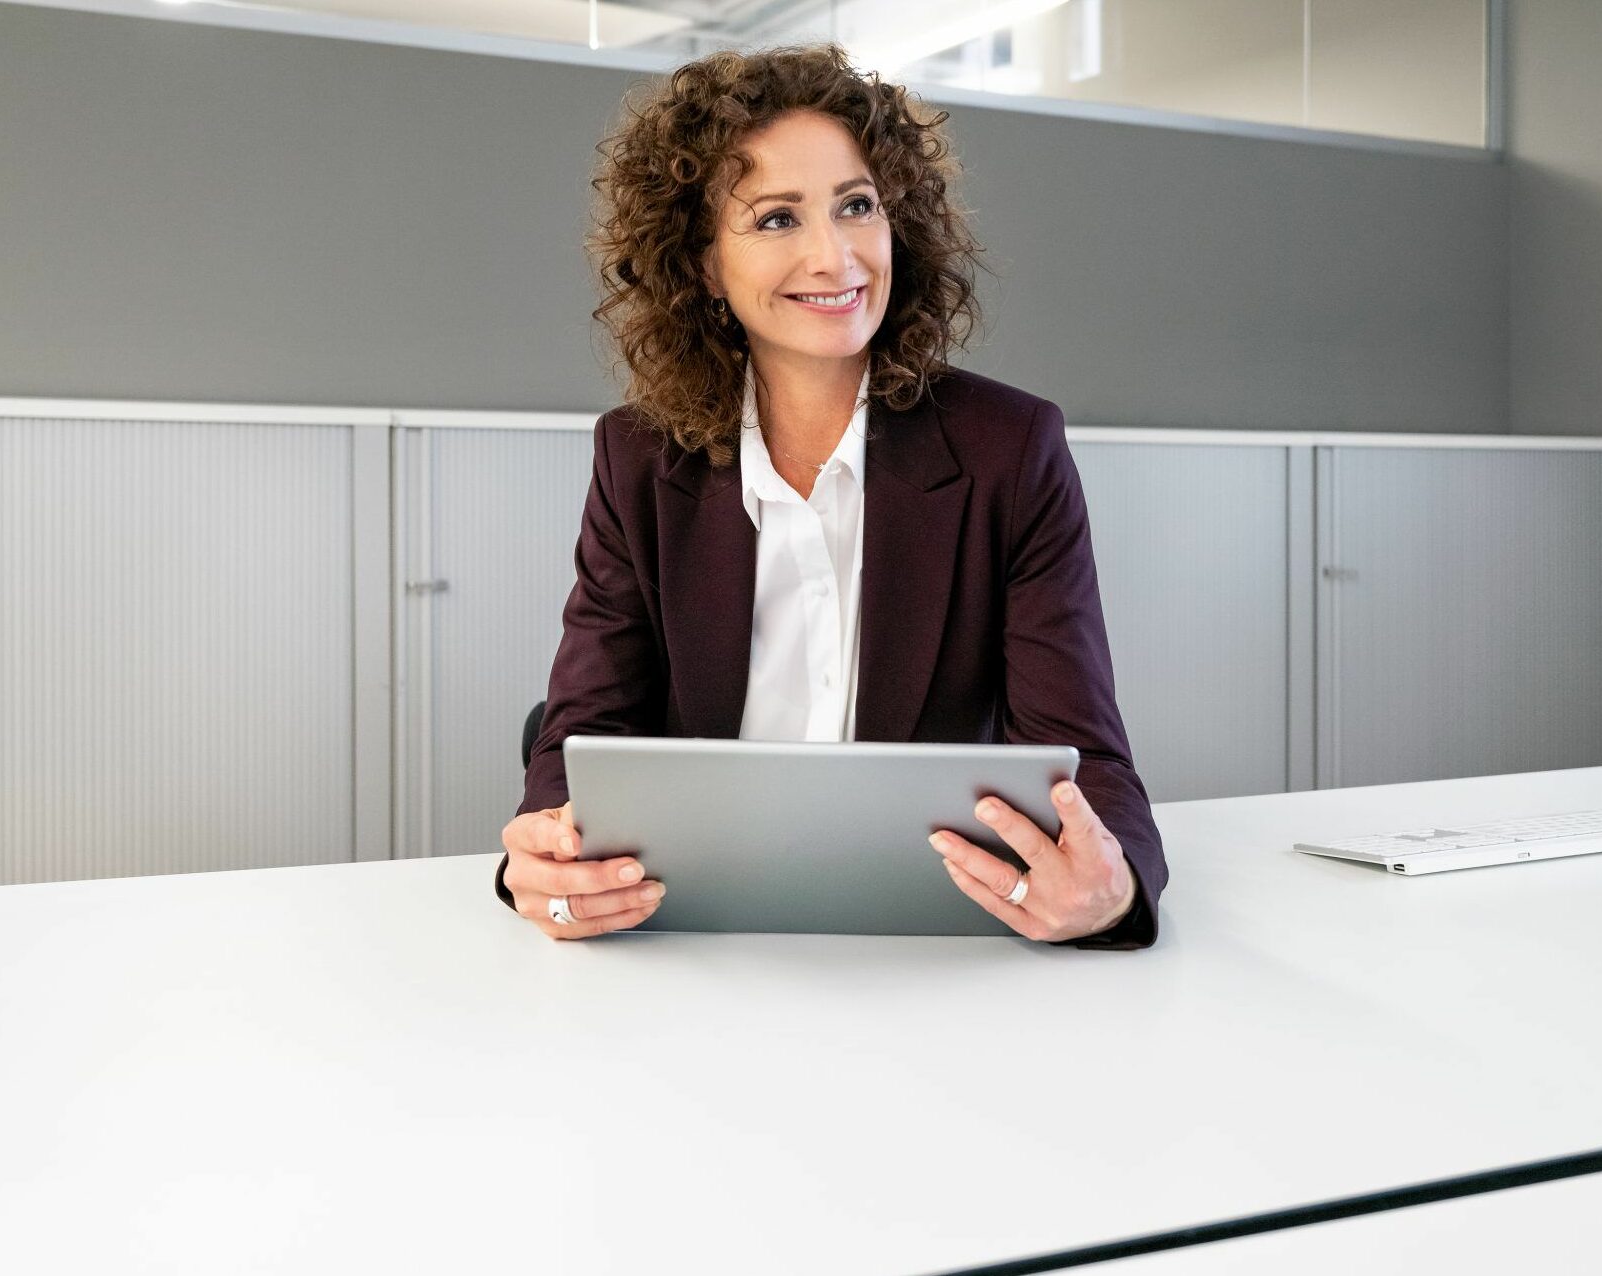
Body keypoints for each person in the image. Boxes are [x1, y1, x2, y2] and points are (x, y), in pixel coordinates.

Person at [496, 44, 1166, 949]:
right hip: (693, 938)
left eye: (857, 205)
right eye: (776, 218)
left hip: (934, 941)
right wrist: (540, 864)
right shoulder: (640, 459)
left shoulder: (1009, 450)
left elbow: (1089, 761)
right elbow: (580, 729)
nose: (834, 254)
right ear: (701, 264)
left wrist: (1111, 892)